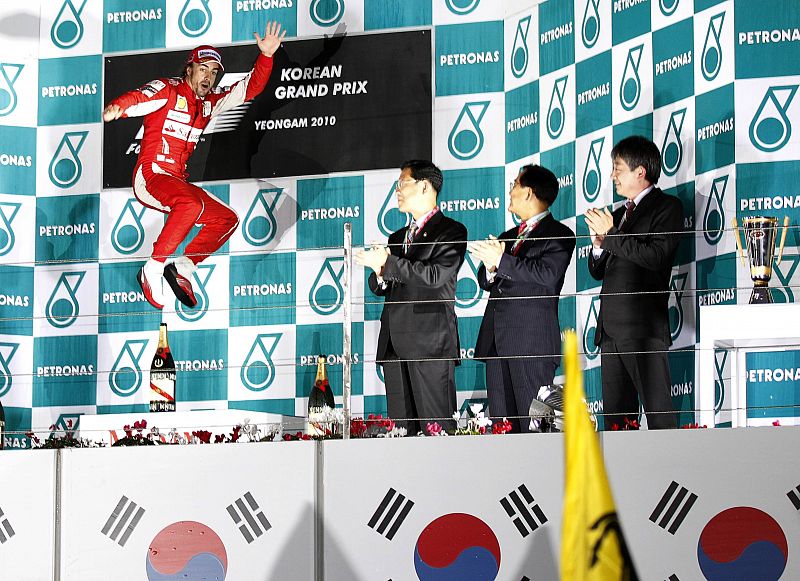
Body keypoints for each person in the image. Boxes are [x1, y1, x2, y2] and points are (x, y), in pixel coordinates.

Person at [102, 22, 286, 310]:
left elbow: (249, 89)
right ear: (189, 68)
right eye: (203, 69)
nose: (208, 77)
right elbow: (139, 97)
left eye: (214, 73)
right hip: (151, 175)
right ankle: (152, 268)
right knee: (189, 204)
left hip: (176, 180)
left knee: (226, 219)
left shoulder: (210, 103)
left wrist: (265, 56)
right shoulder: (168, 89)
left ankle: (182, 268)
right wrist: (118, 107)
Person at [355, 160, 467, 434]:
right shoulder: (397, 237)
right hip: (394, 345)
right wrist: (379, 272)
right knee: (401, 434)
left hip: (429, 346)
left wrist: (388, 264)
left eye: (403, 183)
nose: (397, 190)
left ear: (425, 186)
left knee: (436, 431)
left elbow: (435, 276)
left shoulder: (452, 231)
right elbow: (381, 286)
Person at [584, 135, 683, 430]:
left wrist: (611, 236)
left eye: (618, 168)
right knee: (617, 424)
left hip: (643, 328)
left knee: (659, 415)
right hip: (611, 332)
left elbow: (656, 256)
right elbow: (597, 270)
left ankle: (670, 476)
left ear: (640, 171)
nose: (613, 176)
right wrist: (599, 244)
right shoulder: (616, 215)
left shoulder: (667, 207)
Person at [469, 165, 575, 433]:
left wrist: (501, 260)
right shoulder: (507, 237)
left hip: (532, 344)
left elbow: (548, 275)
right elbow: (485, 280)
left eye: (514, 185)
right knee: (503, 429)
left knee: (534, 427)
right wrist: (493, 266)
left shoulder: (560, 234)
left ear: (528, 193)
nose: (510, 191)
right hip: (497, 343)